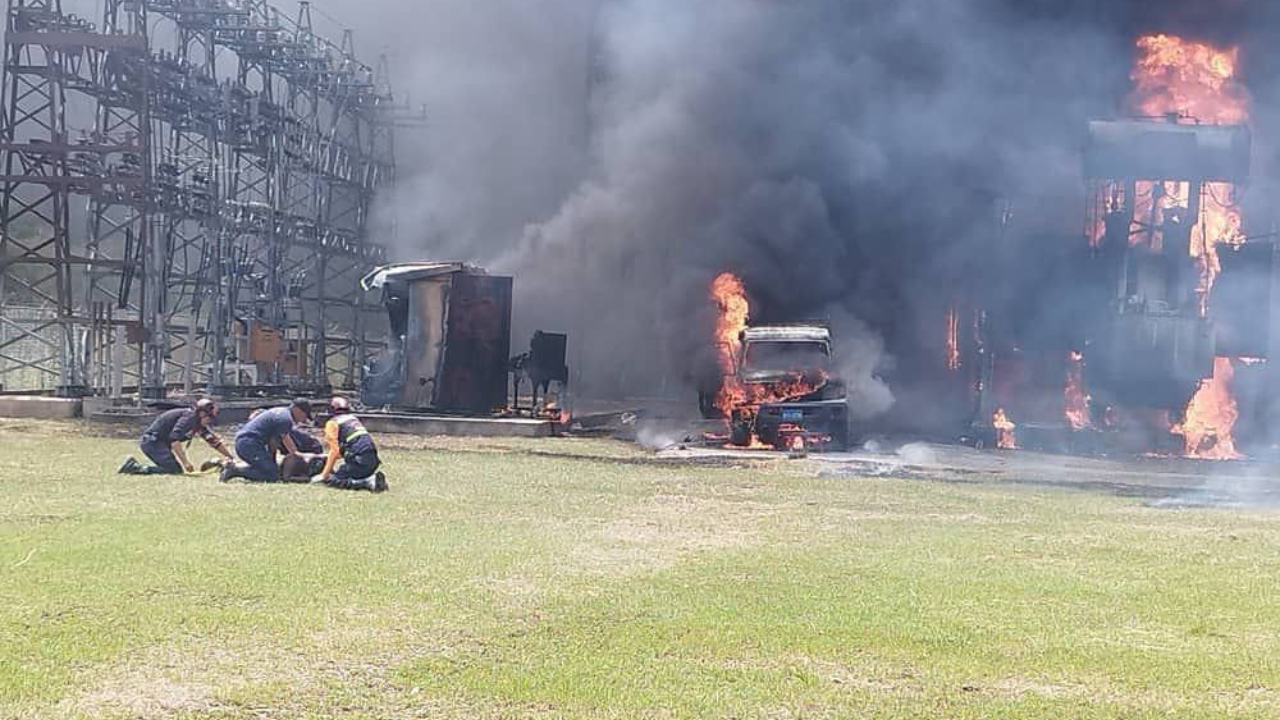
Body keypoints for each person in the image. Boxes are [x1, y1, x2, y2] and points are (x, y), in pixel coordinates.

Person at [119, 399, 233, 475]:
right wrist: (185, 462)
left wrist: (230, 457)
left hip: (160, 444)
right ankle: (134, 467)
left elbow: (212, 441)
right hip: (153, 442)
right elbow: (174, 440)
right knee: (173, 470)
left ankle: (134, 466)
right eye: (210, 418)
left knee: (173, 469)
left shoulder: (197, 422)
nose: (210, 421)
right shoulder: (189, 418)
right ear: (202, 414)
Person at [220, 398, 314, 482]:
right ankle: (235, 470)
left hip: (246, 442)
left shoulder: (280, 412)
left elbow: (273, 442)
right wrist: (299, 455)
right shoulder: (286, 419)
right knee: (272, 475)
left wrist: (272, 462)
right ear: (297, 410)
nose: (303, 420)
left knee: (270, 469)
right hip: (249, 444)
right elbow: (288, 443)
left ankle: (232, 467)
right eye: (304, 416)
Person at [311, 396, 388, 492]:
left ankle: (367, 482)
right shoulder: (353, 419)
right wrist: (325, 457)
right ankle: (370, 477)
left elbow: (335, 451)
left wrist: (324, 475)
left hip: (359, 462)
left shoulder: (332, 423)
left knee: (332, 480)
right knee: (344, 471)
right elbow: (342, 451)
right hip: (372, 461)